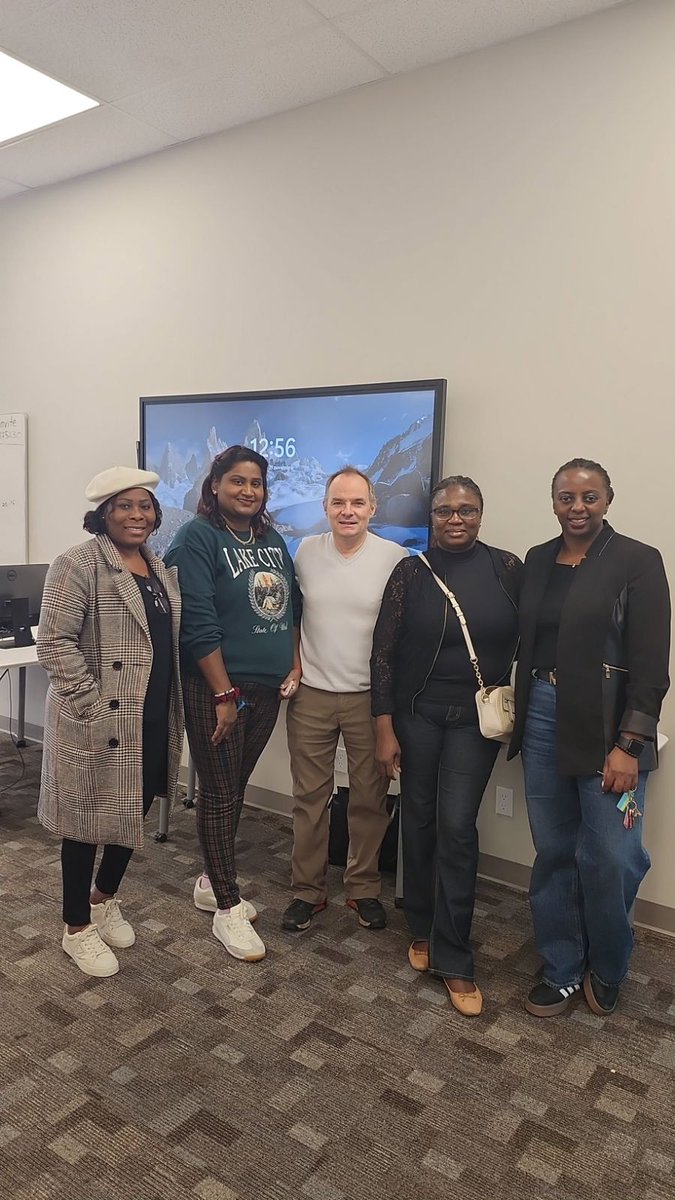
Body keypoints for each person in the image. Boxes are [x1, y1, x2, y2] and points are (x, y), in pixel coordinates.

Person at [508, 458, 670, 1018]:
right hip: (543, 714)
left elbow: (651, 666)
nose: (577, 507)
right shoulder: (536, 560)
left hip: (607, 724)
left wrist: (629, 744)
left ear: (608, 499)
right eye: (566, 498)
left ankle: (608, 961)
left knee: (611, 855)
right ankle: (560, 966)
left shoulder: (637, 561)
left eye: (589, 497)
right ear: (552, 502)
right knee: (554, 850)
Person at [371, 476, 521, 1016]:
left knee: (457, 827)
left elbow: (535, 636)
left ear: (481, 514)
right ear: (431, 517)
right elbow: (383, 652)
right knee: (419, 816)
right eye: (444, 511)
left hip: (474, 722)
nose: (456, 519)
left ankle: (455, 955)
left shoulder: (507, 568)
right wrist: (384, 728)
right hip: (418, 716)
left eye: (467, 510)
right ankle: (422, 925)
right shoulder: (410, 572)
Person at [37, 467, 183, 978]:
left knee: (133, 806)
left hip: (151, 711)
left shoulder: (159, 568)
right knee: (83, 823)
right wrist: (93, 706)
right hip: (98, 717)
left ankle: (103, 899)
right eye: (125, 506)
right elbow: (54, 643)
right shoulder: (77, 564)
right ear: (103, 514)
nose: (137, 515)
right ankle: (75, 926)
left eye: (145, 506)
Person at [165, 446, 301, 963]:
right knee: (220, 792)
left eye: (256, 483)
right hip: (218, 690)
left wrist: (294, 662)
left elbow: (291, 602)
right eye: (237, 481)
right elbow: (197, 619)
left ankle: (208, 881)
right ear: (215, 485)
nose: (248, 491)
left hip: (267, 687)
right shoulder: (196, 538)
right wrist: (223, 693)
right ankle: (226, 906)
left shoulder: (270, 539)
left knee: (233, 786)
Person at [283, 467, 407, 933]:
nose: (347, 511)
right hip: (312, 695)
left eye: (357, 503)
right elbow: (293, 618)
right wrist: (295, 665)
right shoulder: (305, 552)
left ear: (373, 508)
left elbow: (400, 637)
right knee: (309, 799)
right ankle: (307, 892)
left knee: (370, 799)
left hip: (368, 701)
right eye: (338, 503)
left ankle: (362, 889)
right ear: (325, 508)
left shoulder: (396, 559)